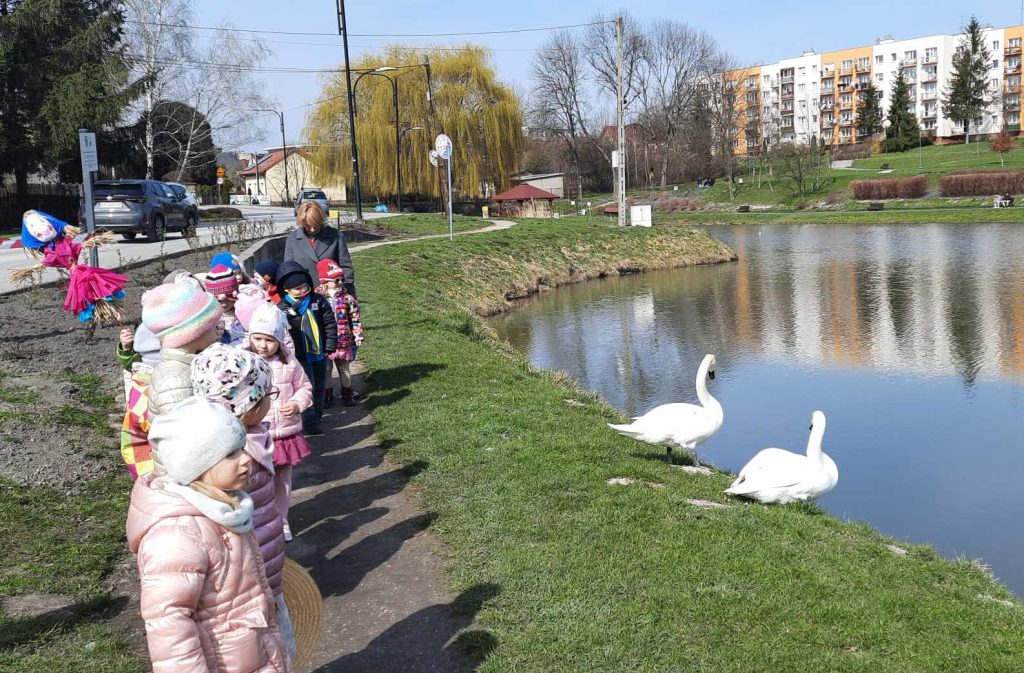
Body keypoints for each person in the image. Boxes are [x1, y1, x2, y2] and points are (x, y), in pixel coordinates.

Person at [126, 396, 287, 673]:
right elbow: (169, 625)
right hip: (223, 662)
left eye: (241, 448)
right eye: (230, 454)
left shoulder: (224, 507)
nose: (246, 459)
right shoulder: (177, 535)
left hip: (251, 651)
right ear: (198, 465)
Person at [191, 344, 295, 663]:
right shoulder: (235, 461)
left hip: (265, 568)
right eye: (267, 396)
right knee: (275, 650)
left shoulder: (250, 437)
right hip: (249, 585)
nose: (270, 402)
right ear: (245, 405)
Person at [119, 282, 223, 479]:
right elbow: (182, 443)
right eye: (212, 326)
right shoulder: (175, 381)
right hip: (187, 480)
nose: (218, 333)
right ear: (191, 334)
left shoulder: (186, 368)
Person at [246, 304, 312, 541]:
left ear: (280, 340)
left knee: (282, 480)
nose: (263, 345)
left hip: (283, 433)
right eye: (258, 338)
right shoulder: (243, 363)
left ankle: (281, 519)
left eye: (269, 340)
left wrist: (297, 403)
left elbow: (305, 387)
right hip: (254, 434)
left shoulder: (290, 363)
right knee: (257, 481)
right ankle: (260, 520)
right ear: (250, 337)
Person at [275, 262, 337, 435]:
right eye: (297, 289)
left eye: (305, 286)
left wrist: (330, 343)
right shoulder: (282, 309)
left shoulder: (318, 300)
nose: (303, 291)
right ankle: (309, 421)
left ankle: (317, 415)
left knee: (320, 385)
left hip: (319, 352)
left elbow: (329, 323)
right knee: (306, 387)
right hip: (301, 355)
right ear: (286, 290)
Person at [316, 259, 364, 407]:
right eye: (336, 280)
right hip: (326, 340)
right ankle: (327, 396)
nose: (340, 283)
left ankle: (347, 395)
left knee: (344, 368)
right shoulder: (318, 298)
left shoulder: (347, 299)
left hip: (343, 340)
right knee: (327, 369)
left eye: (341, 279)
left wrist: (358, 334)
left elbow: (355, 317)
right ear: (325, 281)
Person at [283, 200, 356, 296]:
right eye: (308, 226)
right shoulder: (293, 239)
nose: (312, 229)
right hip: (304, 296)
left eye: (315, 225)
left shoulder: (335, 236)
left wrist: (348, 291)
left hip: (333, 294)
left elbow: (346, 267)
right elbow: (288, 271)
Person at [205, 264, 245, 346]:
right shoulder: (210, 316)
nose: (224, 304)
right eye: (219, 301)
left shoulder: (243, 309)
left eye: (228, 299)